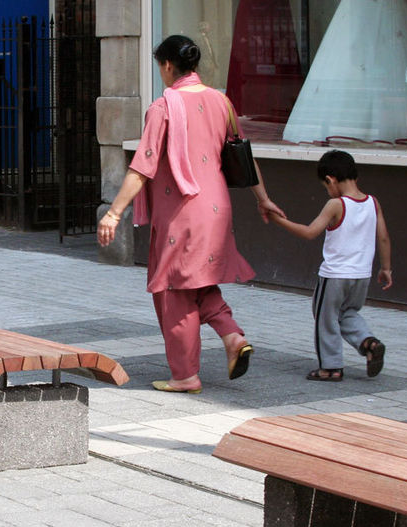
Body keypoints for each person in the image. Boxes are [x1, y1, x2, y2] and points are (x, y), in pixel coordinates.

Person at [98, 35, 285, 394]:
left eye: (160, 66)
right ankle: (232, 337)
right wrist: (263, 198)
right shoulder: (221, 102)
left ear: (168, 65)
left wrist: (113, 213)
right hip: (216, 208)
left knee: (173, 289)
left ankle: (184, 375)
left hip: (181, 210)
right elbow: (244, 156)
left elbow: (142, 167)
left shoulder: (162, 108)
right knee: (199, 281)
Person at [266, 150, 392, 381]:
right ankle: (369, 342)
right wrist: (386, 268)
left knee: (326, 318)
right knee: (348, 313)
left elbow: (310, 232)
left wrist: (279, 221)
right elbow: (383, 237)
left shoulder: (336, 204)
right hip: (361, 275)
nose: (327, 191)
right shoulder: (373, 202)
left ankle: (330, 367)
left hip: (334, 275)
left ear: (330, 179)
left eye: (326, 186)